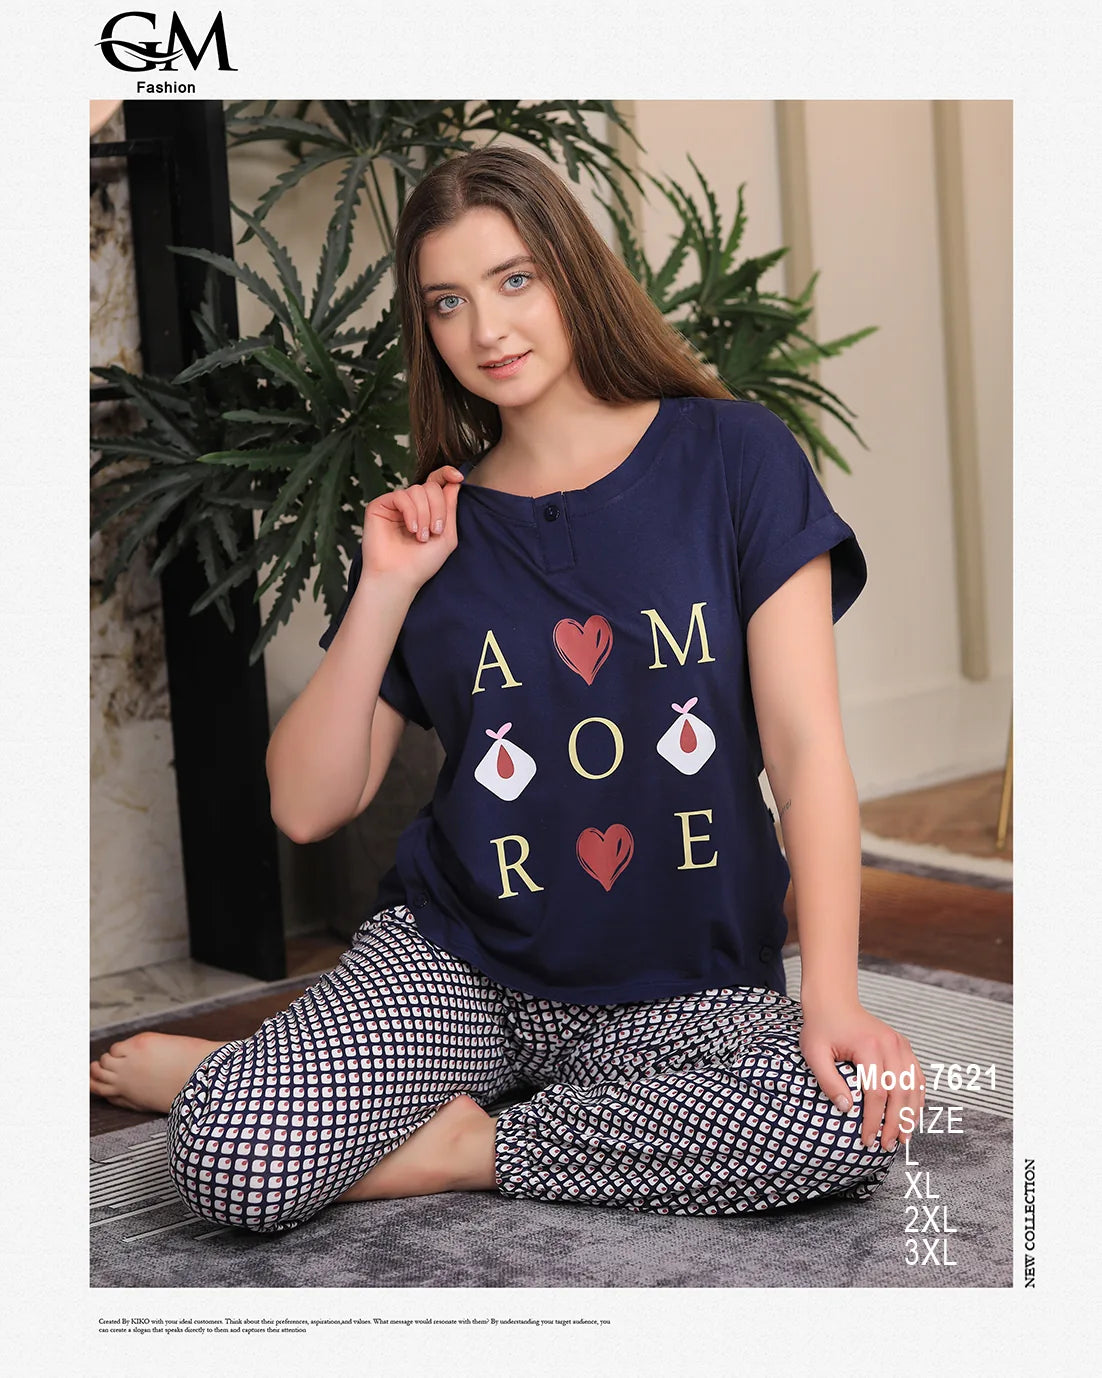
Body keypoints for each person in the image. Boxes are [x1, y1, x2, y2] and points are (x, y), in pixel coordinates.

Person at [90, 145, 924, 1233]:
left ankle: (460, 1141)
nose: (485, 329)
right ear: (425, 328)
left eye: (514, 279)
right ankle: (302, 1091)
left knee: (843, 1115)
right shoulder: (434, 530)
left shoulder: (733, 458)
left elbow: (807, 752)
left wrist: (830, 997)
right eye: (447, 301)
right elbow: (304, 803)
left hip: (687, 984)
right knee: (230, 1159)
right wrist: (385, 585)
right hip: (462, 964)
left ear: (573, 272)